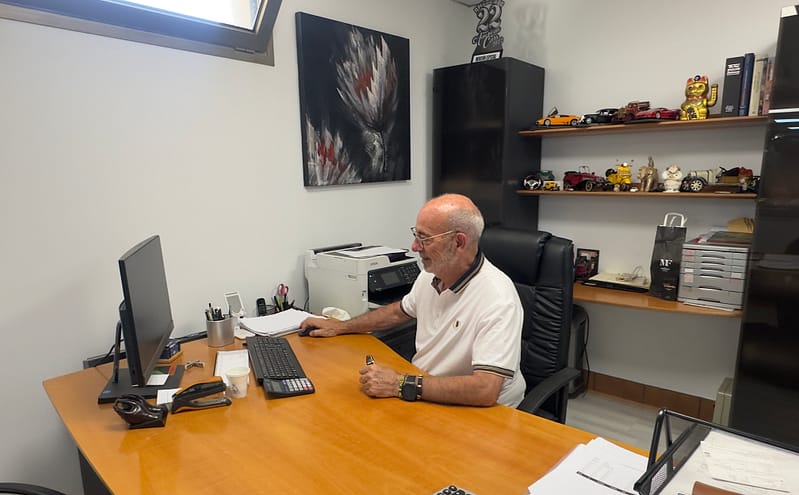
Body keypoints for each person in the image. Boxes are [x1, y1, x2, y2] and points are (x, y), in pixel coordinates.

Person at [299, 194, 526, 407]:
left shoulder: (498, 298)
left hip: (483, 411)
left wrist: (399, 384)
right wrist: (340, 327)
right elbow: (398, 312)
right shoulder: (431, 273)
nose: (415, 247)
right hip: (426, 388)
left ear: (458, 243)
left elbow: (485, 389)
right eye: (416, 235)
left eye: (424, 238)